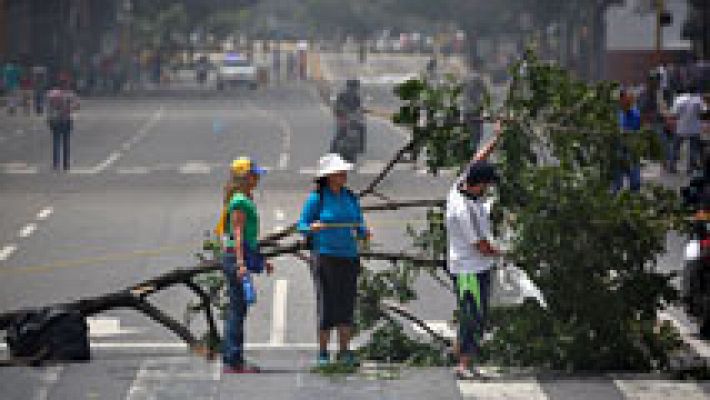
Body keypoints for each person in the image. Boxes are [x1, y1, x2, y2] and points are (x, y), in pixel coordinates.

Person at [298, 153, 371, 367]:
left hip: (349, 257)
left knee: (346, 304)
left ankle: (344, 350)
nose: (344, 175)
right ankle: (322, 352)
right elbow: (301, 225)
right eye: (339, 172)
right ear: (329, 176)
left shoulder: (350, 197)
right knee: (327, 303)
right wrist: (312, 227)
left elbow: (359, 223)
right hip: (325, 256)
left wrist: (364, 233)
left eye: (344, 172)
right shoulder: (317, 199)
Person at [445, 121, 503, 380]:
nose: (488, 189)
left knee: (472, 311)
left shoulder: (461, 183)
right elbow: (480, 246)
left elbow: (477, 158)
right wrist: (505, 253)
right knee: (473, 315)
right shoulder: (463, 209)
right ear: (478, 184)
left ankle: (458, 351)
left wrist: (496, 137)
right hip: (469, 268)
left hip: (475, 266)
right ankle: (464, 365)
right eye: (487, 185)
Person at [220, 157, 273, 373]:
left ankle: (233, 357)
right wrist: (241, 265)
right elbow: (238, 234)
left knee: (238, 309)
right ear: (245, 177)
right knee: (237, 310)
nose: (258, 178)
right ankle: (233, 360)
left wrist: (261, 260)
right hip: (235, 257)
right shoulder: (239, 201)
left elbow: (249, 237)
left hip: (240, 255)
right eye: (254, 174)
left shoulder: (244, 198)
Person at [669, 83, 708, 173]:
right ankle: (690, 168)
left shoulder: (680, 99)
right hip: (694, 128)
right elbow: (704, 112)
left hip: (681, 127)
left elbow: (674, 113)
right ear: (696, 91)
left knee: (675, 147)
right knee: (693, 149)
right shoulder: (699, 100)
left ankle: (672, 166)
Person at [46, 73, 79, 171]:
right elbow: (77, 106)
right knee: (66, 143)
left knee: (56, 142)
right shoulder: (70, 94)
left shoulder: (52, 93)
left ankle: (56, 164)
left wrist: (49, 119)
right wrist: (69, 108)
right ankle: (66, 164)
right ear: (67, 84)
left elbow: (48, 108)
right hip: (66, 120)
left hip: (55, 120)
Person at [612, 90, 642, 193]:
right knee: (617, 181)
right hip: (619, 150)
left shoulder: (635, 114)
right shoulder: (618, 113)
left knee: (634, 180)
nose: (621, 102)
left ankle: (634, 197)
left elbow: (635, 131)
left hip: (631, 150)